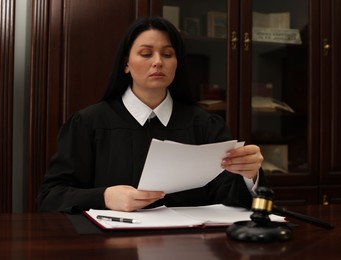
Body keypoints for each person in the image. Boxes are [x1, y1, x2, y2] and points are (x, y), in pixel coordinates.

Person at [37, 16, 265, 213]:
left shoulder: (205, 125)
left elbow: (230, 197)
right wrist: (104, 197)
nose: (158, 62)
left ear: (177, 63)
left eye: (167, 54)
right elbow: (51, 196)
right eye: (146, 54)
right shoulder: (88, 123)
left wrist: (250, 175)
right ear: (126, 64)